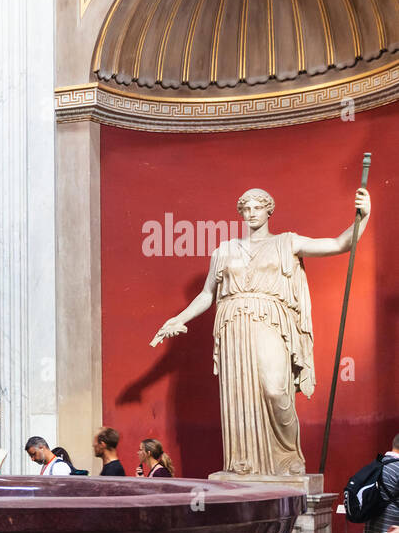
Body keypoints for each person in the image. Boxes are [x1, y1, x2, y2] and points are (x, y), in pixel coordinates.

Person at [151, 186, 372, 475]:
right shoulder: (224, 251)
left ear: (269, 210)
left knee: (274, 389)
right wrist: (179, 318)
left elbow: (339, 244)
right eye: (246, 208)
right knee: (239, 396)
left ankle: (288, 460)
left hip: (270, 320)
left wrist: (363, 216)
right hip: (233, 326)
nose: (252, 213)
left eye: (258, 207)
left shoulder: (287, 242)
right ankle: (242, 465)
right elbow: (208, 294)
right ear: (240, 213)